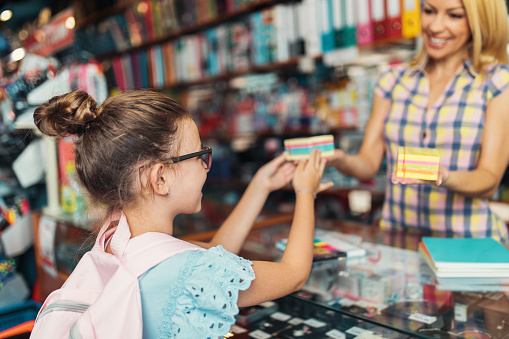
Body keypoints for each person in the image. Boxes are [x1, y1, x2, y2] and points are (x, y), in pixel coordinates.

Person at [33, 89, 332, 338]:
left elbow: (214, 259)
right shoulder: (184, 270)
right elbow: (293, 275)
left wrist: (260, 186)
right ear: (161, 178)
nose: (205, 165)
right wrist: (306, 192)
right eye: (199, 155)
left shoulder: (117, 236)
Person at [327, 0, 509, 242]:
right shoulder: (392, 80)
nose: (435, 26)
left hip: (469, 244)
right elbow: (368, 164)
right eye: (429, 11)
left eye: (454, 15)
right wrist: (341, 160)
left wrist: (442, 176)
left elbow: (489, 178)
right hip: (400, 241)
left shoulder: (496, 83)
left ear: (480, 21)